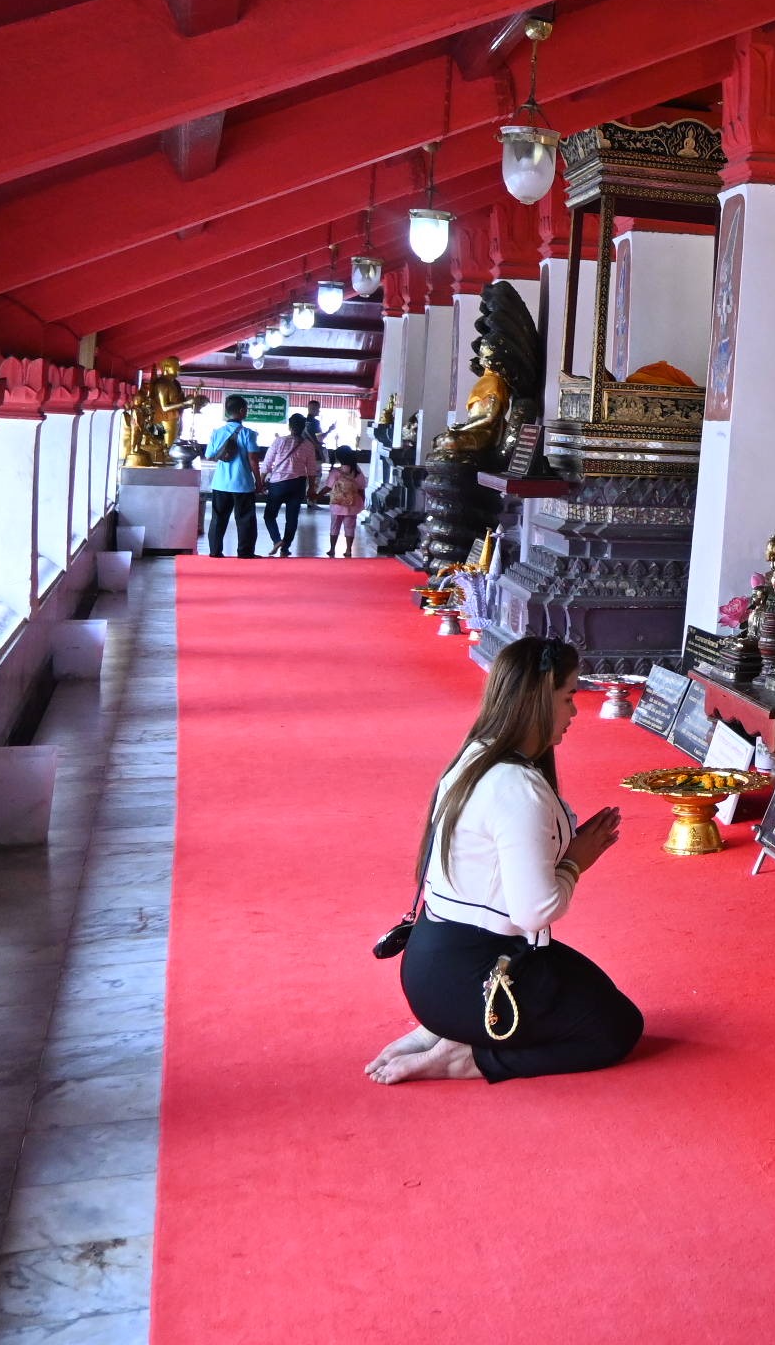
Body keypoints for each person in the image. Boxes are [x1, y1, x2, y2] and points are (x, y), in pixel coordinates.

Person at [368, 638, 637, 1085]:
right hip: (470, 975)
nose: (574, 712)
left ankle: (446, 1029)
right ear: (539, 699)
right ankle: (466, 1057)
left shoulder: (477, 752)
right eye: (568, 697)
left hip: (437, 963)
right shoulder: (516, 788)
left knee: (598, 995)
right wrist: (575, 862)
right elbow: (534, 911)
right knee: (616, 1029)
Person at [203, 395, 263, 557]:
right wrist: (259, 482)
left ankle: (215, 551)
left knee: (218, 519)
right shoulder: (248, 434)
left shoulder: (217, 433)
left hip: (220, 483)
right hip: (242, 484)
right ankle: (245, 552)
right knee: (245, 519)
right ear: (242, 411)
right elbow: (253, 460)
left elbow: (209, 455)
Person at [258, 417, 321, 557]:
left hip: (278, 484)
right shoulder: (308, 445)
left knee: (269, 515)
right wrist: (311, 488)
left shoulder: (279, 441)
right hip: (298, 484)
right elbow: (312, 469)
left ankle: (277, 540)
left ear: (290, 427)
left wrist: (260, 482)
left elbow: (267, 463)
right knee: (292, 519)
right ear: (304, 427)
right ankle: (285, 548)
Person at [324, 449, 368, 558]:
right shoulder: (357, 472)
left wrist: (317, 495)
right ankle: (348, 550)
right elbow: (361, 488)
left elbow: (328, 487)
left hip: (337, 504)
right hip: (352, 504)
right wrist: (362, 501)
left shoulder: (336, 472)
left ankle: (332, 549)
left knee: (334, 527)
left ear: (339, 458)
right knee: (350, 527)